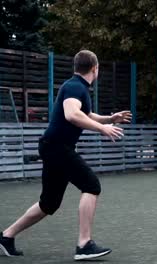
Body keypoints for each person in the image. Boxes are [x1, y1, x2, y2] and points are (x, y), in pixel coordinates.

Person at [0, 50, 132, 261]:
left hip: (55, 147)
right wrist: (102, 128)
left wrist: (110, 118)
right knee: (91, 185)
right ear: (95, 68)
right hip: (57, 147)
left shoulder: (78, 88)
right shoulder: (73, 87)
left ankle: (6, 236)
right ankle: (84, 245)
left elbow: (86, 115)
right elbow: (72, 114)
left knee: (48, 204)